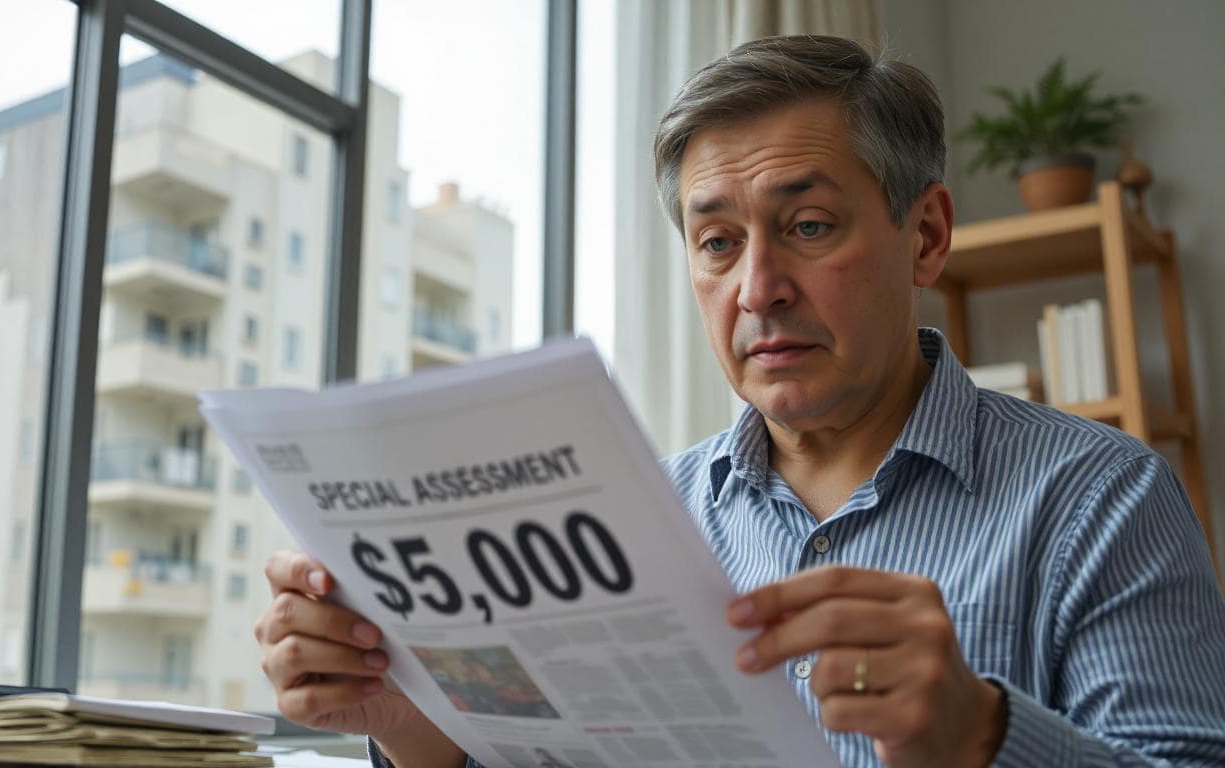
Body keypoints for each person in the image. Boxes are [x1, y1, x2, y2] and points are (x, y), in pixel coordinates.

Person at [253, 35, 1225, 767]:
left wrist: (986, 736)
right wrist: (415, 729)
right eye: (718, 243)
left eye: (807, 225)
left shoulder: (1104, 498)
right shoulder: (632, 519)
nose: (758, 288)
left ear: (926, 237)